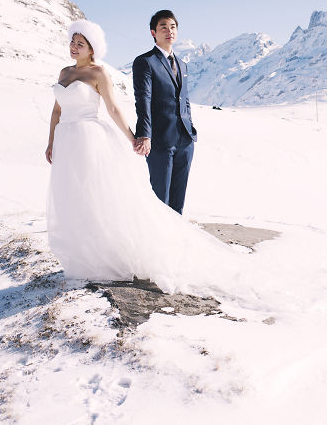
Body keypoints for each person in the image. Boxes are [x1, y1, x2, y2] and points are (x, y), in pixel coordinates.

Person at [44, 19, 240, 293]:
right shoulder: (64, 72)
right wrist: (51, 141)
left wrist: (133, 138)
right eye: (72, 42)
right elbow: (56, 111)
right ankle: (82, 258)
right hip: (66, 142)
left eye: (81, 44)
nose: (74, 47)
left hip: (89, 139)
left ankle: (105, 257)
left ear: (92, 49)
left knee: (94, 197)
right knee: (72, 198)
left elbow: (113, 109)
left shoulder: (98, 73)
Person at [132, 10, 197, 215]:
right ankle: (154, 244)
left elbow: (184, 99)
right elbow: (143, 100)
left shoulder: (182, 64)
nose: (169, 31)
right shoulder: (145, 62)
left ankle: (175, 243)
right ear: (153, 32)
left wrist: (191, 128)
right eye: (163, 27)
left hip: (185, 140)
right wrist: (144, 134)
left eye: (173, 27)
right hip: (160, 140)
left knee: (178, 201)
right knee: (160, 199)